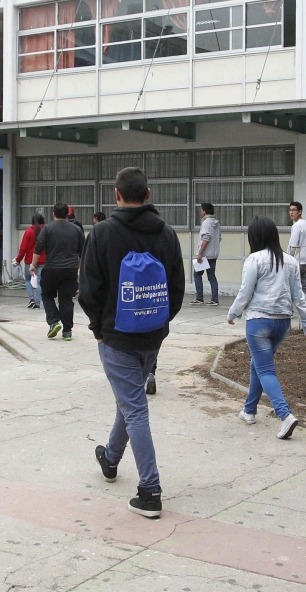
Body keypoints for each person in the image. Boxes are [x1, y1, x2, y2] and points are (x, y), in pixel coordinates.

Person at [80, 167, 184, 518]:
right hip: (153, 336)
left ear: (116, 195)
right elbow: (177, 289)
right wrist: (160, 322)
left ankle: (150, 490)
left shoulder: (103, 233)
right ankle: (110, 458)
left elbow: (89, 289)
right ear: (149, 194)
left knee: (135, 407)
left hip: (117, 336)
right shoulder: (167, 235)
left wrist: (98, 326)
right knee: (131, 398)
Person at [228, 215, 306, 440]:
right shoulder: (291, 261)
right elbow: (299, 296)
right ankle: (249, 410)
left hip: (258, 321)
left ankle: (285, 415)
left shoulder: (254, 259)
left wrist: (233, 313)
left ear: (254, 237)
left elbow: (245, 292)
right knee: (258, 364)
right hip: (282, 323)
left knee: (265, 368)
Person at [32, 202, 85, 341]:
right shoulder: (76, 229)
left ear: (53, 214)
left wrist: (33, 265)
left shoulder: (48, 229)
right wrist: (78, 265)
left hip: (51, 268)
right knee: (66, 299)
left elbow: (38, 248)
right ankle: (67, 331)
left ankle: (54, 321)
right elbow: (83, 250)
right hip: (70, 270)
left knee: (47, 295)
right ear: (67, 214)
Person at [191, 203, 221, 306]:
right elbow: (219, 238)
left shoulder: (206, 223)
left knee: (197, 274)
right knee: (211, 276)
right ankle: (214, 299)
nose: (200, 212)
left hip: (204, 255)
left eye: (201, 210)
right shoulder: (216, 223)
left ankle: (199, 298)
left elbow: (206, 238)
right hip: (213, 254)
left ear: (204, 211)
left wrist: (200, 253)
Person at [15, 213, 46, 309]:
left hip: (29, 260)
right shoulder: (45, 231)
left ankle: (31, 299)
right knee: (40, 282)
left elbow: (23, 248)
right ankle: (37, 303)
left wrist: (18, 260)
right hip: (42, 260)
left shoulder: (28, 232)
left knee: (28, 280)